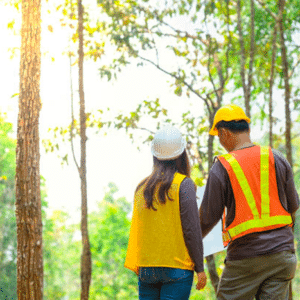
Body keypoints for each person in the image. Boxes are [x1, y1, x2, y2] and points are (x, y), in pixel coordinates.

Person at [199, 104, 299, 300]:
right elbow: (293, 208)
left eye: (219, 136)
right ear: (248, 129)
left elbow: (205, 220)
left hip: (245, 259)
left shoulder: (223, 167)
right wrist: (282, 243)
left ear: (225, 133)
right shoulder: (276, 157)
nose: (220, 141)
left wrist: (188, 248)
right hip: (283, 256)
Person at [125, 125, 207, 300]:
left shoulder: (142, 188)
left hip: (147, 269)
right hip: (177, 268)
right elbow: (191, 230)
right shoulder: (183, 185)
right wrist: (200, 268)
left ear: (155, 155)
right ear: (181, 155)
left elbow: (139, 232)